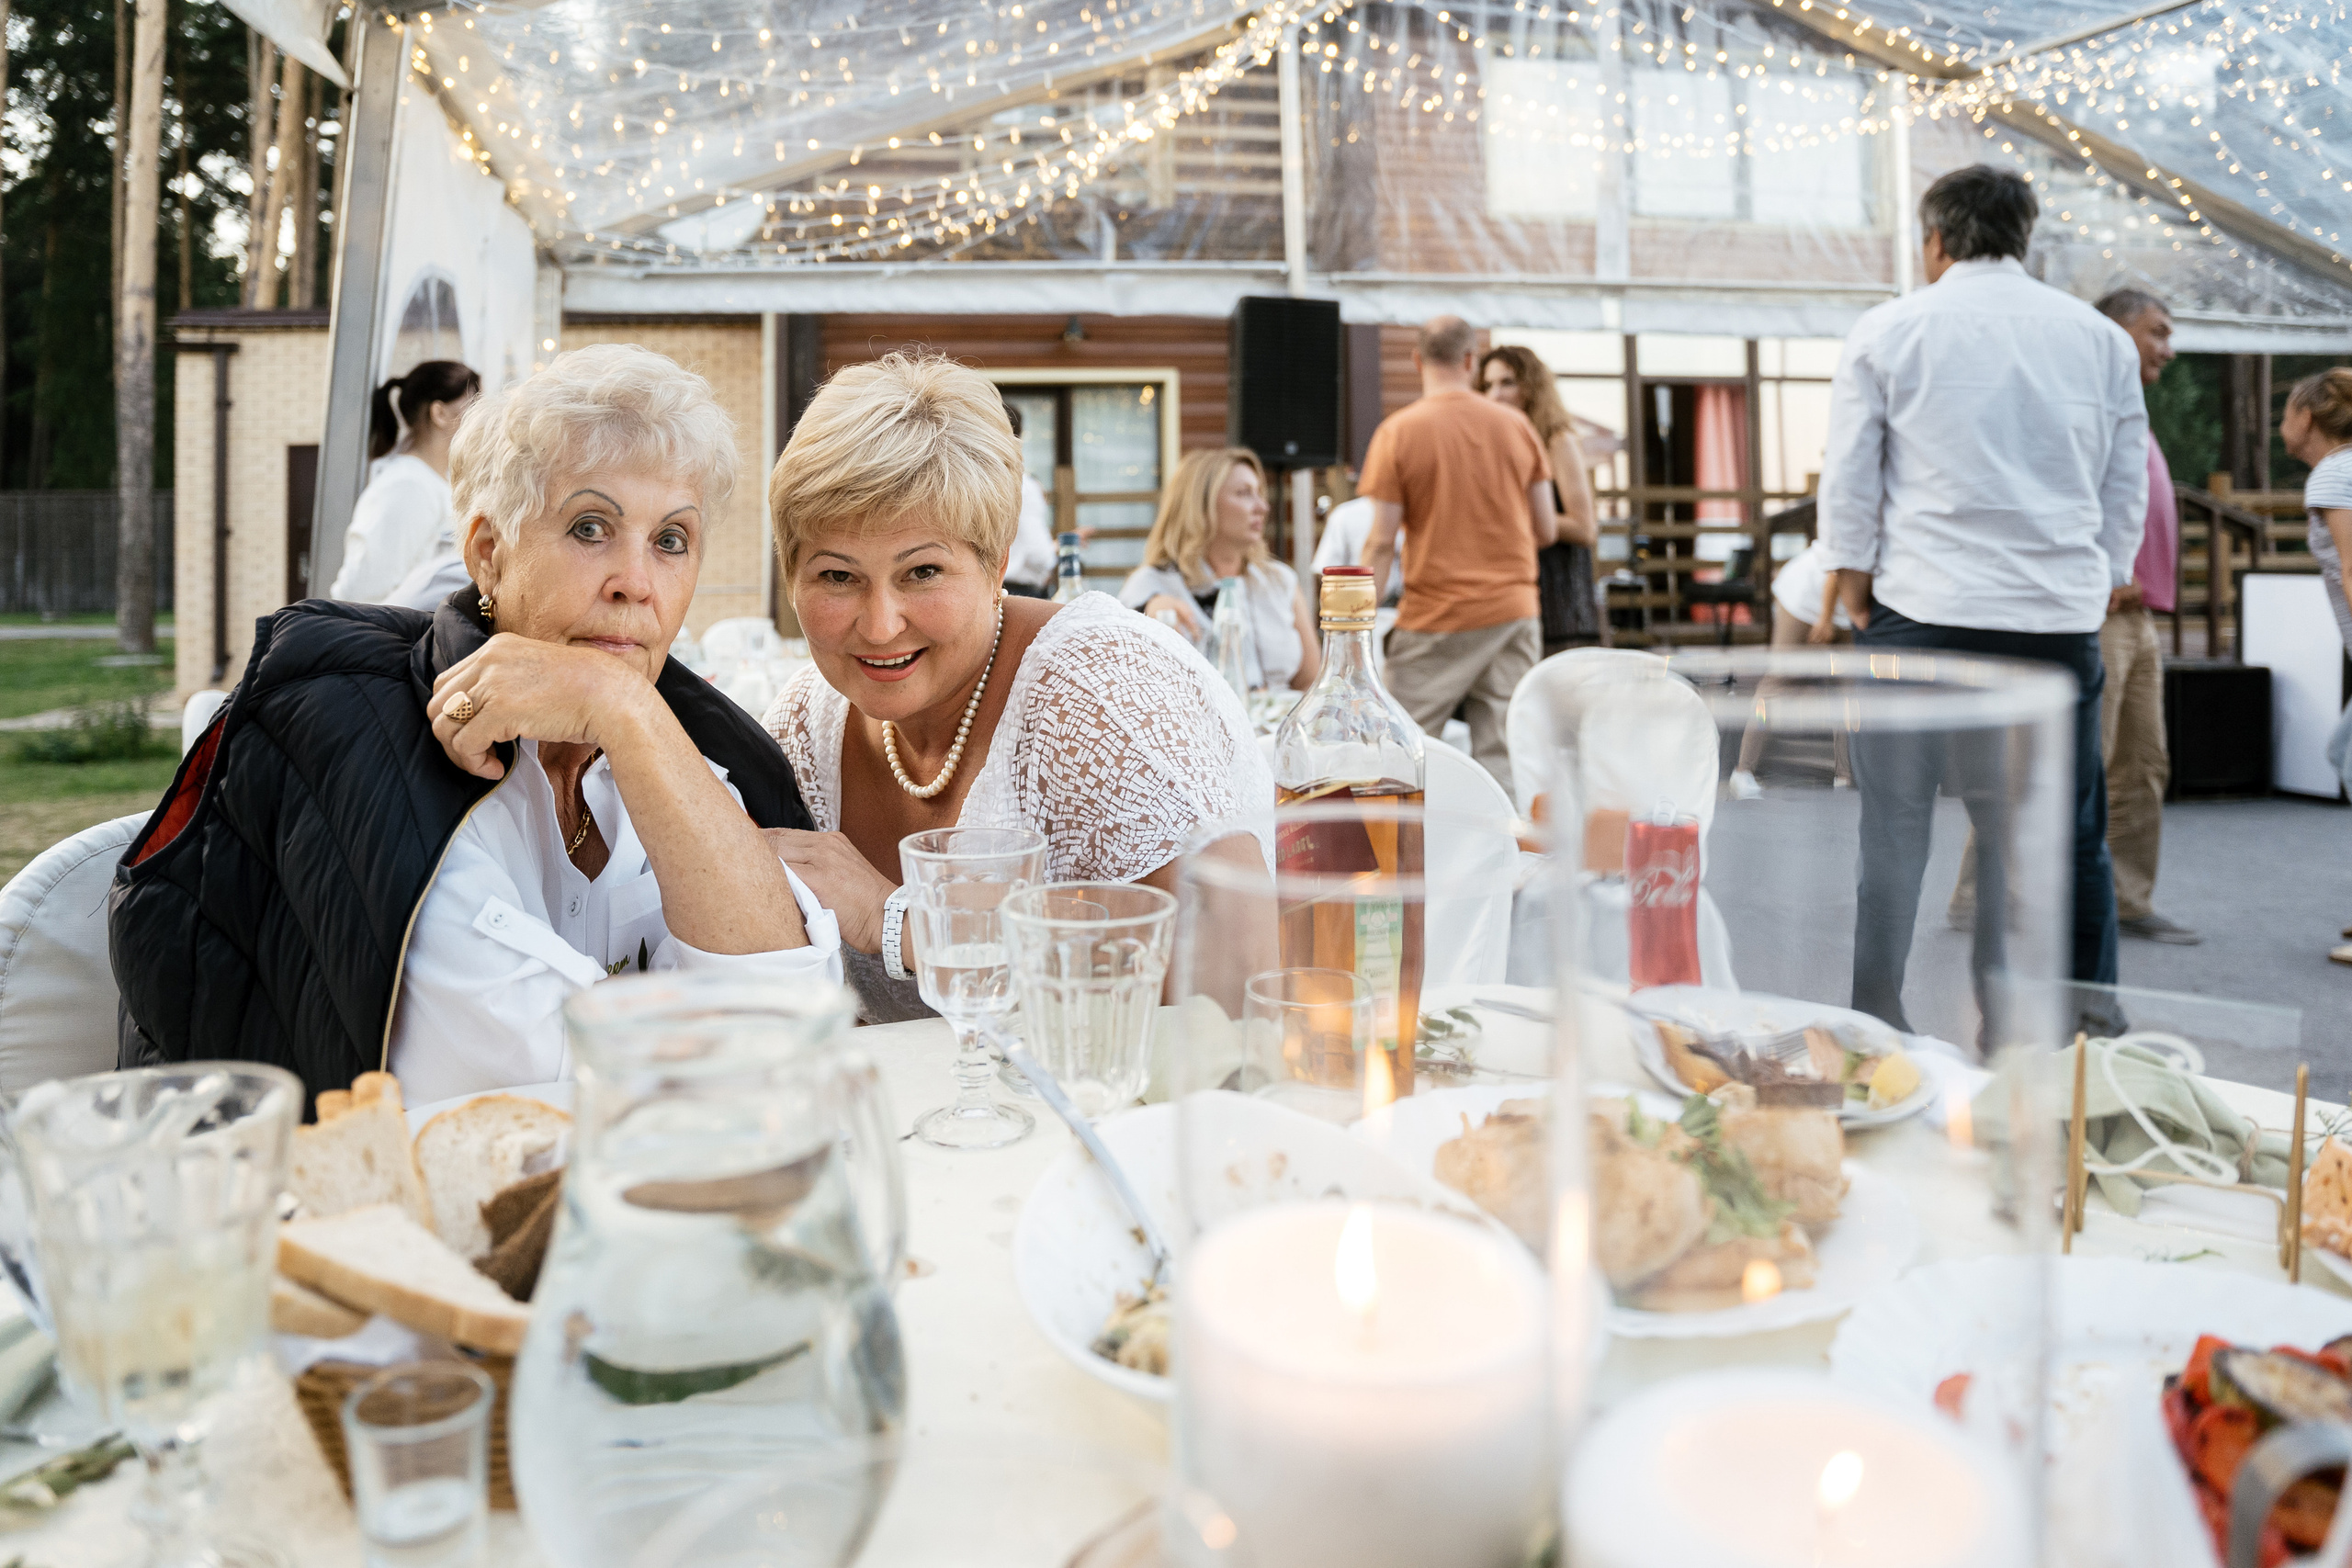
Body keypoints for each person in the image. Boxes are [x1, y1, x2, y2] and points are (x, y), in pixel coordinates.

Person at [111, 345, 842, 1105]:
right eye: (591, 527)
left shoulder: (695, 743)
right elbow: (532, 1071)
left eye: (671, 539)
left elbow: (799, 1019)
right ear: (489, 555)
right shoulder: (352, 726)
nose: (638, 582)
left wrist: (624, 711)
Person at [760, 353, 1274, 1022]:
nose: (880, 624)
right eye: (836, 576)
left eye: (922, 571)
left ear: (997, 564)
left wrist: (902, 922)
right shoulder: (804, 724)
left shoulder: (1099, 702)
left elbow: (1233, 999)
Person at [1819, 164, 2147, 1036]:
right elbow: (2124, 489)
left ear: (1934, 240)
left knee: (1894, 829)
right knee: (2057, 836)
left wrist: (1852, 584)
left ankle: (1877, 1028)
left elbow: (1850, 479)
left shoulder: (1889, 329)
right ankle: (2066, 1038)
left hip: (1921, 612)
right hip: (2051, 620)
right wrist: (2096, 579)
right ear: (2024, 236)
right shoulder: (2099, 339)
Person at [1361, 315, 1559, 789]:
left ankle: (1403, 859)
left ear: (1417, 361)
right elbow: (1546, 528)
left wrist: (1354, 623)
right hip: (1513, 612)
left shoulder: (1399, 432)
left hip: (1437, 618)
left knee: (1397, 753)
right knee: (1505, 754)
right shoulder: (1518, 427)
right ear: (1471, 360)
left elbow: (1382, 540)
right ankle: (1508, 859)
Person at [2088, 288, 2199, 945]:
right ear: (2114, 330)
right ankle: (1985, 897)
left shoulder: (2131, 408)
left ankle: (2128, 899)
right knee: (2070, 764)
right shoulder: (2089, 401)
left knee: (2143, 762)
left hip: (2137, 617)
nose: (2169, 346)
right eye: (2157, 331)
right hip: (2096, 611)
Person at [1121, 447, 1320, 693]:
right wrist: (1150, 609)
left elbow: (1311, 683)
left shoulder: (1279, 580)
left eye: (1259, 493)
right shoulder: (1152, 585)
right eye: (1244, 493)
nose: (1262, 507)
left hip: (1279, 727)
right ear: (1200, 505)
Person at [2280, 369, 2352, 964]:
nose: (2283, 423)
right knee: (2344, 751)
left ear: (2307, 417)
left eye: (2285, 411)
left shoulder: (2332, 471)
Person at [1477, 344, 1603, 653]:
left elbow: (1585, 529)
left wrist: (1522, 511)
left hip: (1561, 603)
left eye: (1508, 382)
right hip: (1513, 601)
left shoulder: (1558, 441)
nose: (1495, 394)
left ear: (1532, 387)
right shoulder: (1496, 445)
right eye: (1487, 385)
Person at [330, 360, 481, 603]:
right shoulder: (407, 486)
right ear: (439, 413)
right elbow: (363, 591)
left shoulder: (435, 482)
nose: (482, 421)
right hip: (395, 637)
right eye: (474, 407)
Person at [1727, 536, 1852, 798]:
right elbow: (1837, 569)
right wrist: (1826, 619)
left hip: (1846, 608)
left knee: (1849, 689)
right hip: (1805, 594)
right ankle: (1743, 772)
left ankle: (1846, 777)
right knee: (1778, 683)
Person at [1000, 399, 1058, 598]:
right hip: (1022, 593)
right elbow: (1039, 555)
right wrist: (1058, 550)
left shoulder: (973, 484)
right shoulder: (1023, 487)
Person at [1313, 490, 1402, 604]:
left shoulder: (1421, 514)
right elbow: (1328, 572)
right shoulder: (1346, 514)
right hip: (1365, 610)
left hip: (1413, 610)